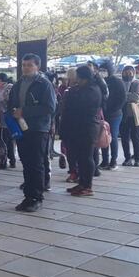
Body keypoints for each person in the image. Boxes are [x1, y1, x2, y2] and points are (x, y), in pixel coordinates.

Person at [9, 53, 57, 212]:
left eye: (30, 65)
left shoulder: (44, 84)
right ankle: (28, 195)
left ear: (38, 66)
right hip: (21, 128)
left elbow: (50, 107)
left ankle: (36, 197)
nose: (26, 68)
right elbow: (12, 104)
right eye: (24, 65)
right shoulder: (18, 84)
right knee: (26, 162)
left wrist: (25, 111)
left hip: (38, 128)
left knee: (36, 163)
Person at [59, 66, 102, 197]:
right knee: (79, 157)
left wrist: (71, 92)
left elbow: (78, 106)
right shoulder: (79, 89)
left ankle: (87, 186)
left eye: (77, 76)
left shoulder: (92, 90)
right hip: (76, 128)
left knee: (86, 157)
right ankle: (82, 182)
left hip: (87, 128)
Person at [100, 60, 126, 170]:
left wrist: (111, 109)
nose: (103, 72)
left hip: (115, 114)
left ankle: (113, 160)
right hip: (103, 113)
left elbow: (122, 99)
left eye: (105, 70)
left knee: (113, 137)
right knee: (103, 136)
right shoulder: (101, 82)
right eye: (101, 70)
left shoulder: (117, 82)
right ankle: (105, 160)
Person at [121, 65, 139, 167]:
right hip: (123, 114)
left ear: (134, 73)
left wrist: (124, 95)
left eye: (129, 73)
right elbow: (118, 95)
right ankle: (127, 158)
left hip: (135, 114)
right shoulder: (121, 83)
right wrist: (127, 95)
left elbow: (137, 97)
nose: (127, 75)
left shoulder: (138, 83)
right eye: (125, 73)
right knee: (124, 137)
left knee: (136, 137)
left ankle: (138, 158)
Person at [58, 68, 79, 183]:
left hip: (76, 124)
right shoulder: (66, 90)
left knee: (75, 151)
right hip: (68, 124)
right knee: (71, 150)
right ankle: (74, 171)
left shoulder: (79, 91)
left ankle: (76, 172)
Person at [0, 73, 16, 169]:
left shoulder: (8, 88)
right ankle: (11, 160)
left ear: (1, 81)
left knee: (4, 140)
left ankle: (4, 161)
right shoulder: (2, 89)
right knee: (8, 140)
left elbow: (7, 101)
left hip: (6, 119)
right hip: (4, 119)